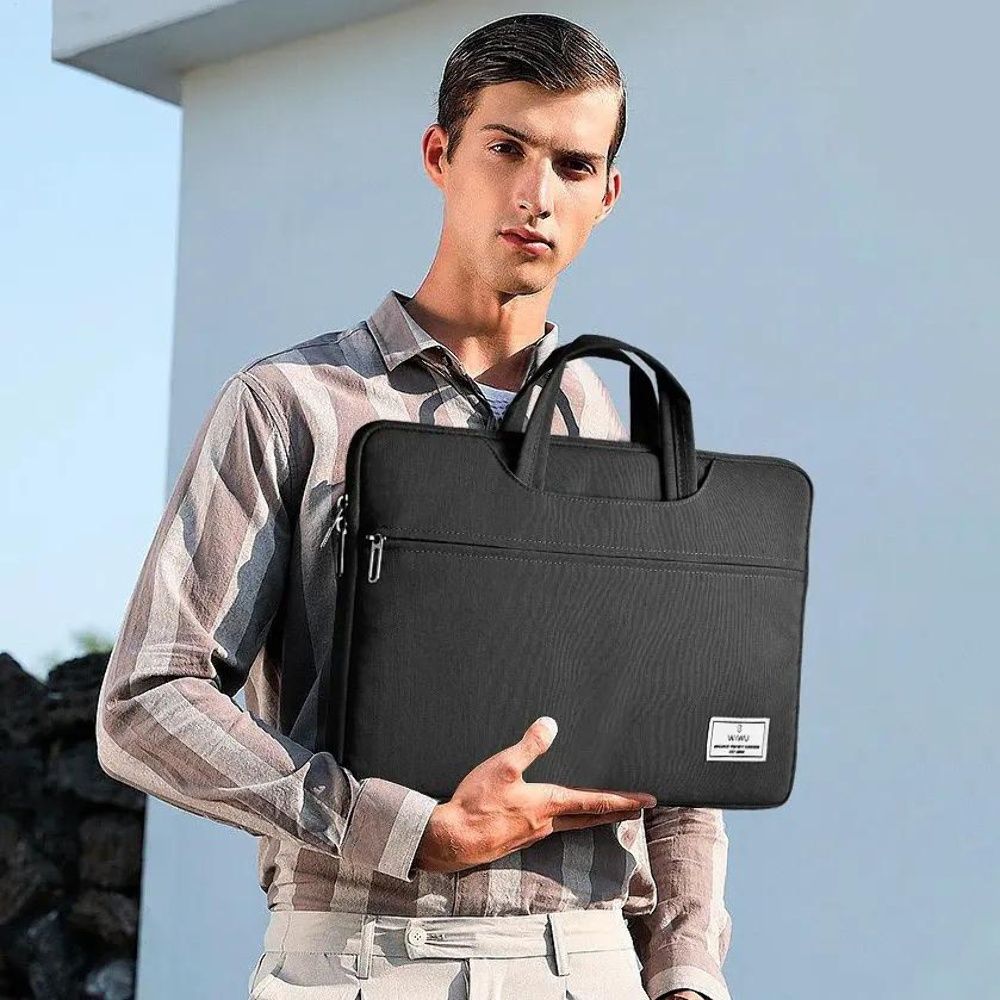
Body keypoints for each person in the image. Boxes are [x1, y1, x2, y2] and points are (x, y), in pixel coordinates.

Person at [95, 13, 732, 1000]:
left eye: (572, 165)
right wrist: (407, 831)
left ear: (606, 195)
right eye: (506, 148)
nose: (535, 194)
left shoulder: (624, 443)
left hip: (591, 963)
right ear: (440, 155)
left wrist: (685, 972)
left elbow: (676, 754)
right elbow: (148, 699)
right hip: (358, 960)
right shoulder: (289, 403)